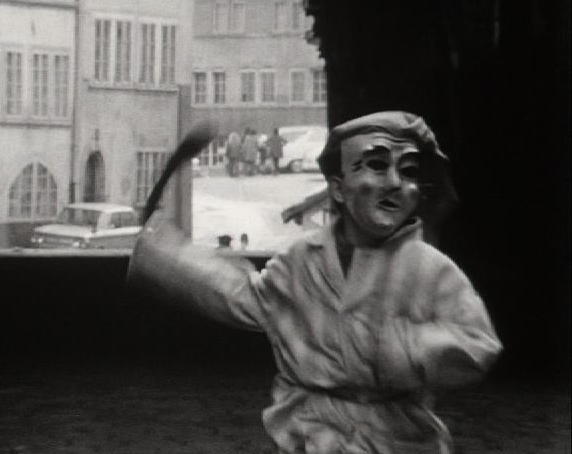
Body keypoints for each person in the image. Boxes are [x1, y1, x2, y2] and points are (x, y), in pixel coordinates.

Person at [128, 111, 501, 454]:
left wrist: (404, 347)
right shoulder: (301, 262)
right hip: (310, 436)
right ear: (338, 189)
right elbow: (243, 296)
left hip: (399, 439)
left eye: (408, 171)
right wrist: (162, 254)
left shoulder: (428, 269)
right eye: (375, 165)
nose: (394, 183)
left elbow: (477, 342)